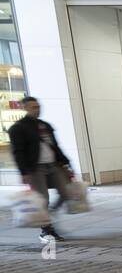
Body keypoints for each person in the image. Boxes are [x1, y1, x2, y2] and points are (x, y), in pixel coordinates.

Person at [7, 95, 75, 242]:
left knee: (66, 193)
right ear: (24, 108)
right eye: (34, 107)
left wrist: (65, 164)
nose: (37, 110)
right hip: (35, 169)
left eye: (38, 107)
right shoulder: (18, 128)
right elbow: (18, 152)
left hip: (53, 165)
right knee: (43, 199)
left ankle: (47, 215)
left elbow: (55, 147)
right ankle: (46, 230)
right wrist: (24, 172)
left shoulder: (45, 125)